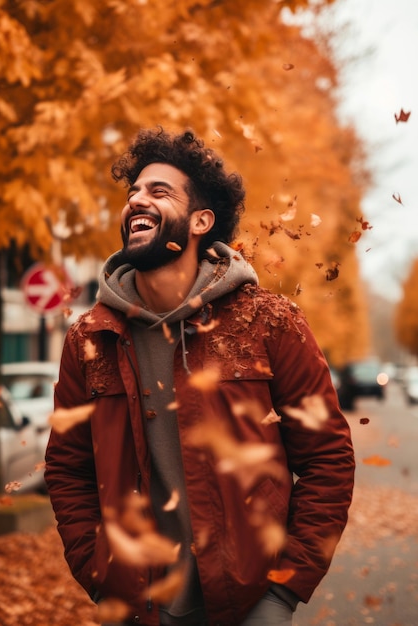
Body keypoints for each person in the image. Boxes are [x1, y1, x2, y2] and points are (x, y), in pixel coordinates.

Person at [45, 127, 355, 626]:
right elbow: (67, 468)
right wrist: (100, 579)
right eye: (133, 193)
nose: (137, 201)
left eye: (158, 191)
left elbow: (327, 459)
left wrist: (284, 593)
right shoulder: (90, 338)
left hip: (249, 603)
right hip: (138, 607)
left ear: (199, 222)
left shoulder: (269, 322)